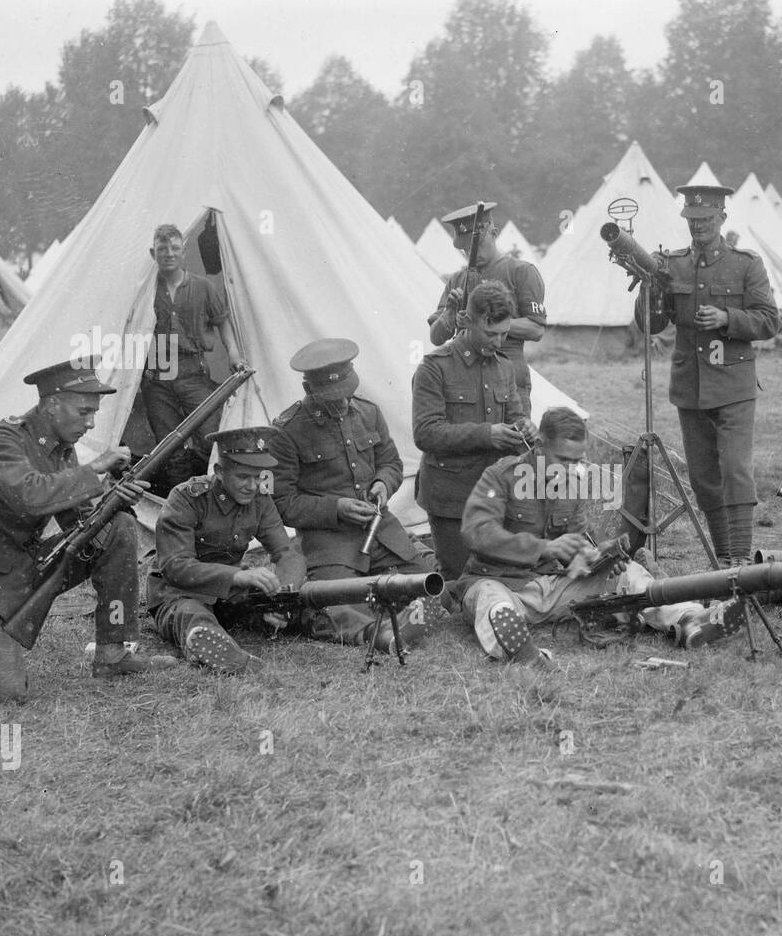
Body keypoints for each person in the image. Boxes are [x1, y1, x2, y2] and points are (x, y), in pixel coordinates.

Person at [0, 359, 176, 701]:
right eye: (83, 412)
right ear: (52, 405)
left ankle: (113, 654)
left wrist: (114, 499)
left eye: (93, 413)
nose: (90, 424)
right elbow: (31, 496)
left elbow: (79, 521)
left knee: (118, 527)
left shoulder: (61, 448)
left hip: (25, 568)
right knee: (6, 695)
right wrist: (94, 472)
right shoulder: (3, 440)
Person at [456, 407, 745, 665]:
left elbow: (577, 545)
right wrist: (544, 548)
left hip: (553, 588)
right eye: (564, 459)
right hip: (502, 584)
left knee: (628, 572)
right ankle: (519, 651)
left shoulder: (571, 484)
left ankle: (688, 620)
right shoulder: (501, 476)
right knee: (490, 600)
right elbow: (477, 532)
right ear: (540, 446)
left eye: (578, 461)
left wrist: (600, 558)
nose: (572, 469)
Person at [636, 183, 780, 567]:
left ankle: (739, 560)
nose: (698, 226)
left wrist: (727, 318)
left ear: (722, 219)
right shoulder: (673, 264)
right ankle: (723, 558)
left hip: (733, 386)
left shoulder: (746, 264)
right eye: (692, 219)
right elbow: (650, 324)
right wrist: (647, 286)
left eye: (705, 219)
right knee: (703, 479)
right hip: (691, 387)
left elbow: (769, 321)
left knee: (734, 470)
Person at [269, 338, 442, 651]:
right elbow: (282, 503)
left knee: (429, 581)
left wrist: (383, 483)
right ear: (310, 391)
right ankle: (381, 633)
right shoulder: (287, 431)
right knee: (331, 601)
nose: (344, 404)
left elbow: (391, 461)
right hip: (331, 544)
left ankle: (396, 610)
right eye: (334, 399)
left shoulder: (368, 412)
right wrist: (336, 508)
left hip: (382, 534)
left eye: (348, 394)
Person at [146, 427, 306, 672]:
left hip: (229, 593)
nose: (252, 486)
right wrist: (236, 575)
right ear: (219, 471)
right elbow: (175, 567)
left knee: (300, 607)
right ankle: (225, 655)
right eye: (243, 477)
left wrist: (282, 599)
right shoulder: (187, 498)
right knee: (191, 616)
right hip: (179, 592)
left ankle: (371, 634)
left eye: (259, 477)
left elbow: (287, 553)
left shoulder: (260, 500)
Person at [413, 281, 533, 580]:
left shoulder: (504, 367)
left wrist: (526, 430)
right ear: (468, 321)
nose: (499, 341)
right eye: (491, 333)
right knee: (459, 583)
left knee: (512, 576)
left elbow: (517, 415)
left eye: (505, 334)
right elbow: (426, 433)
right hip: (452, 498)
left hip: (496, 495)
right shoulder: (434, 367)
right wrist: (486, 434)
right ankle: (418, 556)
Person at [139, 223, 246, 488]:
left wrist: (233, 353)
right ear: (153, 254)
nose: (169, 254)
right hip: (157, 377)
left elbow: (222, 321)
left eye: (175, 248)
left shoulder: (203, 287)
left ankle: (209, 495)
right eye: (162, 249)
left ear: (183, 252)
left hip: (193, 373)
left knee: (211, 437)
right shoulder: (145, 291)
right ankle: (180, 504)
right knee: (168, 449)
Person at [427, 202, 546, 417]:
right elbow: (436, 337)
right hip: (463, 382)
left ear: (494, 232)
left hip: (507, 375)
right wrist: (449, 316)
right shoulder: (458, 279)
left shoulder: (521, 272)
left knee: (514, 442)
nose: (470, 252)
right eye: (465, 248)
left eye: (476, 245)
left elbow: (536, 329)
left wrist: (482, 324)